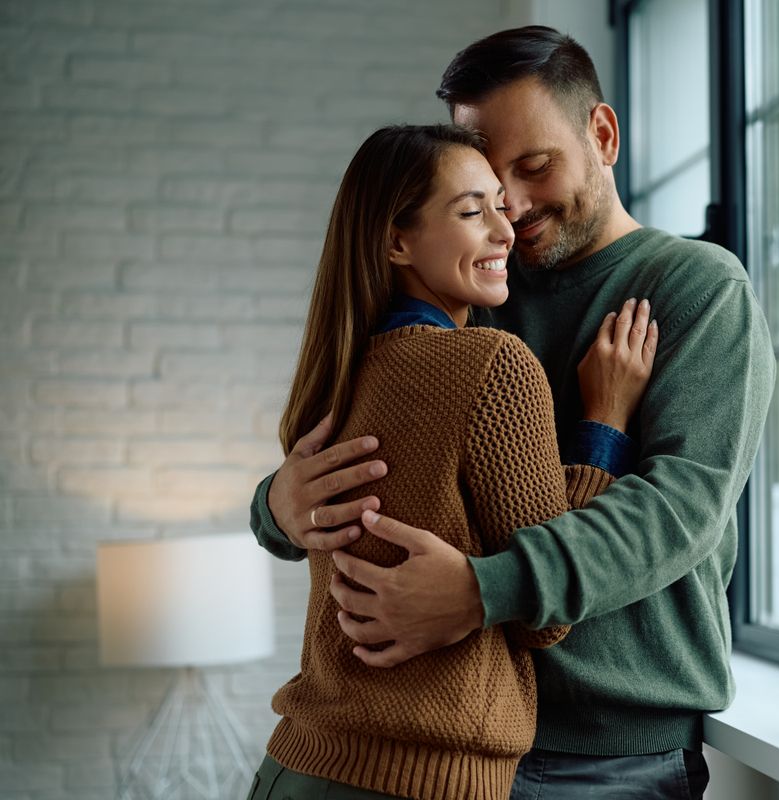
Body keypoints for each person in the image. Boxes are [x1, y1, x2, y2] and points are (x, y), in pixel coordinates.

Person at [250, 26, 776, 799]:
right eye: (492, 187)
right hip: (455, 739)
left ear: (603, 135)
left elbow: (678, 510)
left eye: (535, 168)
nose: (515, 209)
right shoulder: (474, 284)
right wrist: (276, 506)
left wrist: (481, 590)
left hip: (608, 756)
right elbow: (375, 451)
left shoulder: (699, 289)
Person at [248, 123, 658, 800]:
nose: (505, 229)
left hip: (295, 766)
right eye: (472, 212)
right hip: (415, 782)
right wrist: (604, 424)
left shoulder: (336, 374)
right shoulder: (493, 365)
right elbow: (546, 616)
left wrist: (267, 506)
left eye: (500, 204)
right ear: (397, 241)